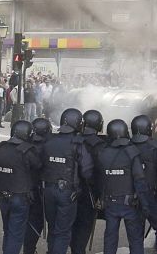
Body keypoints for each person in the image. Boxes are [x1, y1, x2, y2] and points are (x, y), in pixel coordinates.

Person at [40, 108, 93, 254]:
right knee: (63, 232)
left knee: (53, 228)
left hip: (48, 191)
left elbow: (40, 165)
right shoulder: (78, 144)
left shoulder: (49, 141)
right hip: (67, 192)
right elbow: (87, 171)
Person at [98, 119, 150, 254]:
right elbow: (140, 179)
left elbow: (100, 179)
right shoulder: (132, 152)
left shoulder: (103, 153)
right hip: (130, 204)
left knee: (110, 238)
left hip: (110, 203)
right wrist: (145, 204)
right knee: (135, 239)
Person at [0, 119, 42, 254]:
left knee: (8, 231)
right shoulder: (27, 151)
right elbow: (38, 165)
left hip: (3, 196)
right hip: (20, 197)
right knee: (16, 234)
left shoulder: (0, 148)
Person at [131, 114, 157, 254]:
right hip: (150, 195)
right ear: (149, 129)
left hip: (133, 195)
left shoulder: (127, 145)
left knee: (136, 233)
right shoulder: (154, 146)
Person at [71, 109, 106, 254]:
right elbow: (102, 174)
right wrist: (101, 197)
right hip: (89, 194)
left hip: (70, 191)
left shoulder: (73, 139)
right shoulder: (100, 145)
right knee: (83, 229)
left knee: (72, 227)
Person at [25, 118, 52, 254]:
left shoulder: (26, 144)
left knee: (33, 221)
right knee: (52, 222)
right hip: (46, 188)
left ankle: (29, 249)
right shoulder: (50, 145)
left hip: (30, 188)